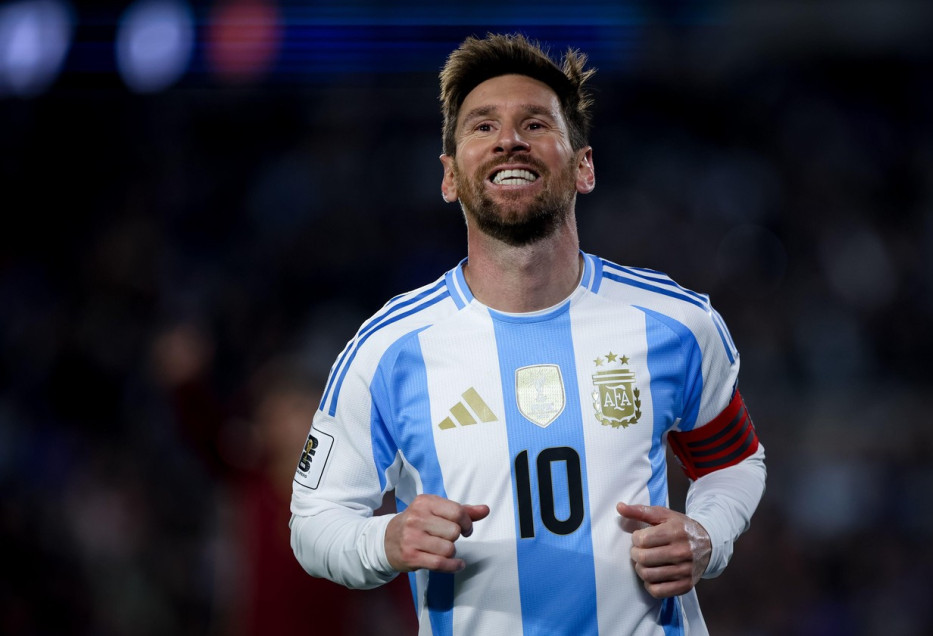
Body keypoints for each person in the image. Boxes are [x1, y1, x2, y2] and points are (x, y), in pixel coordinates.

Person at [289, 32, 766, 635]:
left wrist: (708, 535)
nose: (509, 139)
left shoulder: (676, 324)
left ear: (584, 165)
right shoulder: (387, 352)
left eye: (535, 123)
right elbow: (313, 521)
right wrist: (384, 538)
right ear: (449, 177)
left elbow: (733, 462)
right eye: (482, 127)